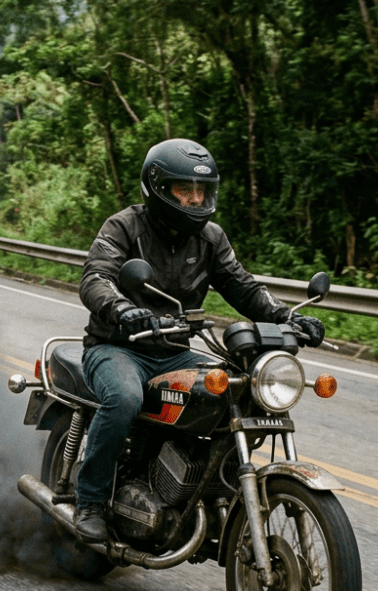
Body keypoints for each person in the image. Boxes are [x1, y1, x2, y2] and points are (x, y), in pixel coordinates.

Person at [73, 138, 325, 543]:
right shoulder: (123, 226)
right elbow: (96, 278)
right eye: (183, 190)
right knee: (123, 399)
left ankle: (200, 493)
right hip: (117, 347)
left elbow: (242, 287)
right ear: (157, 188)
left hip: (174, 353)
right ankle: (91, 501)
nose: (194, 199)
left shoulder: (210, 238)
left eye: (201, 191)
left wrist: (287, 316)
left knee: (235, 391)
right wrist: (122, 309)